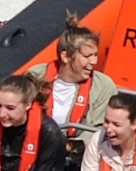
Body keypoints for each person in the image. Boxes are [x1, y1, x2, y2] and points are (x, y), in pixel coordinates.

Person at [32, 20, 117, 158]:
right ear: (65, 57)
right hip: (32, 151)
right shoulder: (36, 76)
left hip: (73, 162)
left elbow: (100, 130)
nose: (94, 61)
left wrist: (67, 147)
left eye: (95, 55)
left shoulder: (103, 86)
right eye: (87, 56)